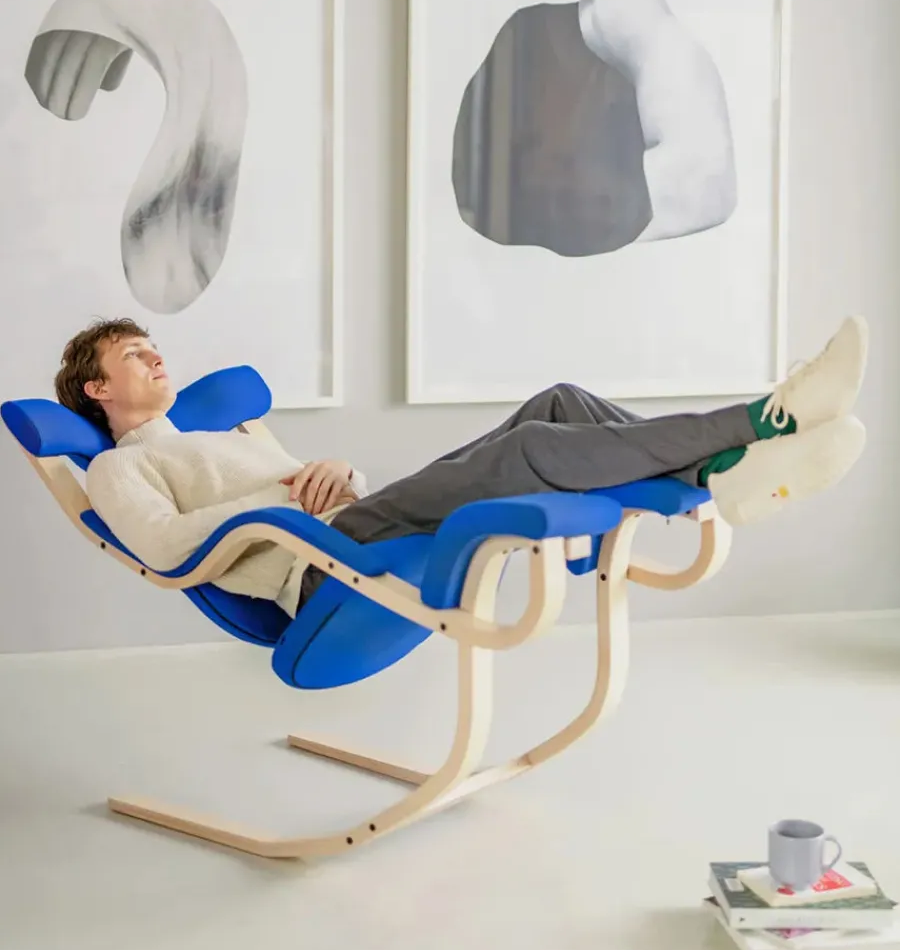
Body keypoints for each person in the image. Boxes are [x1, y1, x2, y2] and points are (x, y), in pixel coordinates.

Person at [55, 317, 868, 619]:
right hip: (321, 566)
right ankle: (763, 420)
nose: (156, 357)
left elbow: (314, 486)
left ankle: (719, 474)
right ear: (98, 388)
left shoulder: (224, 430)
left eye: (155, 347)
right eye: (135, 354)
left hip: (351, 522)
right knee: (527, 450)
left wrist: (337, 468)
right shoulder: (121, 467)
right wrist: (281, 496)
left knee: (561, 401)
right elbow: (167, 548)